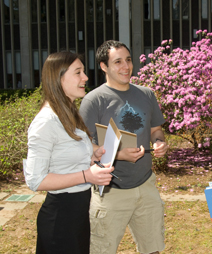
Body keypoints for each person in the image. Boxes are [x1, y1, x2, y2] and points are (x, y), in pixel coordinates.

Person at [79, 40, 168, 254]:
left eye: (128, 60)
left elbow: (156, 129)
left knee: (153, 249)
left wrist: (159, 141)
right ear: (103, 66)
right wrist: (118, 155)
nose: (126, 66)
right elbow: (83, 147)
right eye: (117, 61)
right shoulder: (93, 101)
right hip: (111, 190)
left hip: (146, 185)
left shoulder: (146, 94)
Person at [24, 51, 114, 254]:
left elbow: (67, 155)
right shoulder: (46, 122)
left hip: (77, 216)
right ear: (59, 78)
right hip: (60, 221)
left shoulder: (69, 115)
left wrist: (93, 155)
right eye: (78, 72)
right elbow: (35, 180)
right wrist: (87, 176)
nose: (86, 77)